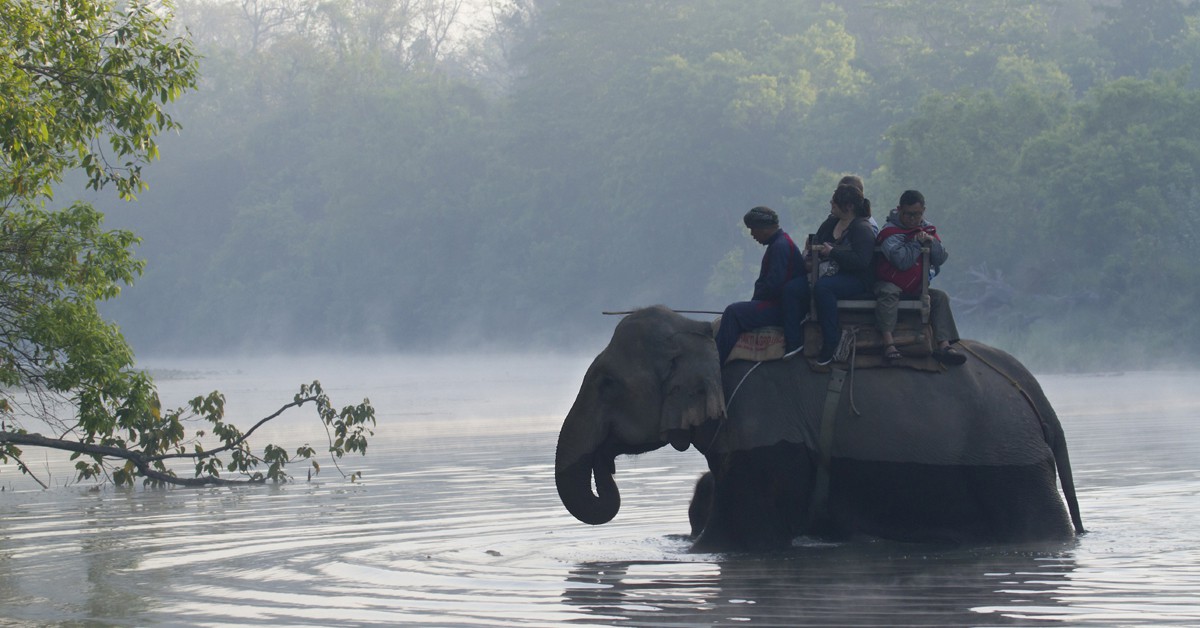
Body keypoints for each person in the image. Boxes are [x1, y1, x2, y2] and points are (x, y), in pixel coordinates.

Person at [782, 184, 876, 365]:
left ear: (848, 206)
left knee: (824, 288)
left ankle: (830, 341)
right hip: (825, 271)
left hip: (854, 278)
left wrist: (833, 252)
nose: (831, 204)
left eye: (835, 202)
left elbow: (862, 261)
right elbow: (817, 241)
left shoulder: (862, 228)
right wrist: (811, 252)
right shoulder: (831, 223)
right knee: (791, 289)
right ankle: (793, 340)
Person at [874, 189, 966, 365]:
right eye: (908, 214)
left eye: (917, 214)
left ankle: (944, 344)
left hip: (916, 285)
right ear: (899, 210)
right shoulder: (889, 233)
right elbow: (901, 262)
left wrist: (931, 242)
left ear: (923, 210)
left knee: (940, 297)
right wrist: (916, 243)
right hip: (890, 282)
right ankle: (888, 343)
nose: (913, 219)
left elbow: (941, 258)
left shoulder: (927, 228)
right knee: (888, 292)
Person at [715, 206, 804, 365]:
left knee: (733, 312)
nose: (752, 234)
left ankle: (715, 362)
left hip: (779, 307)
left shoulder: (779, 246)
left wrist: (755, 301)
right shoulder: (780, 242)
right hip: (778, 303)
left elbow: (774, 285)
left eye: (753, 229)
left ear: (764, 229)